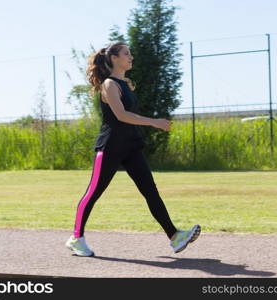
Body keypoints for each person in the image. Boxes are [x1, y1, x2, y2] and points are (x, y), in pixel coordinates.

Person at [66, 41, 201, 257]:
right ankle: (76, 238)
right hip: (110, 147)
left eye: (130, 53)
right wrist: (154, 122)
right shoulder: (110, 85)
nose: (131, 57)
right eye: (126, 53)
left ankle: (175, 237)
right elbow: (121, 115)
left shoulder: (125, 84)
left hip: (130, 146)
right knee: (93, 193)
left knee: (150, 190)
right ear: (114, 58)